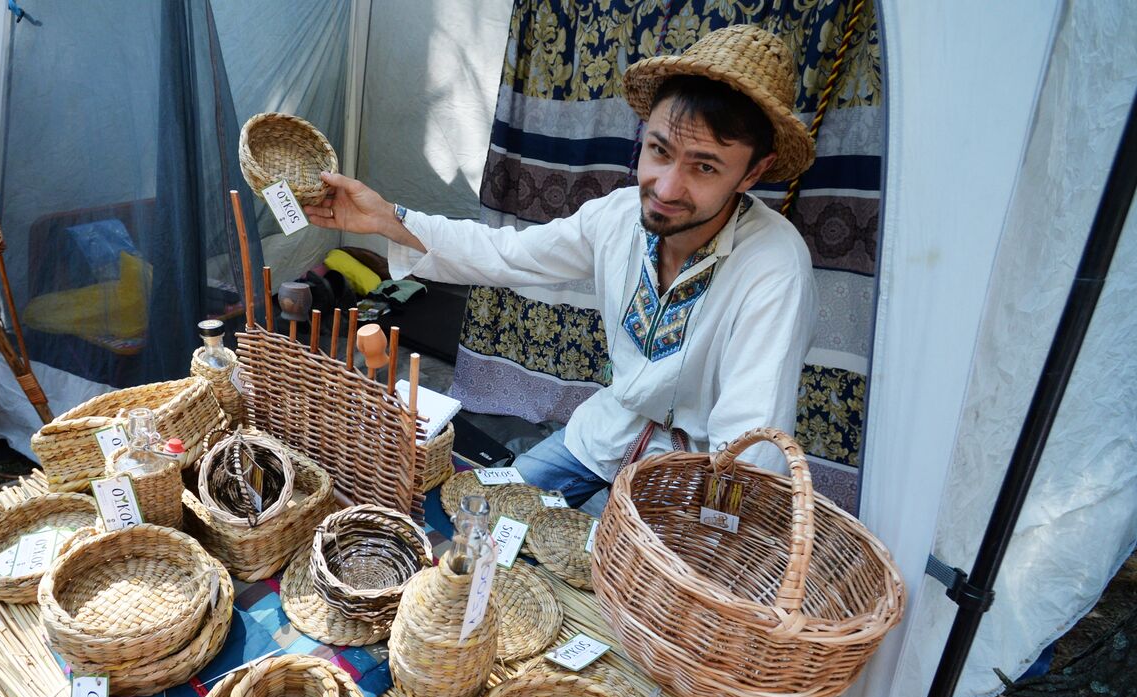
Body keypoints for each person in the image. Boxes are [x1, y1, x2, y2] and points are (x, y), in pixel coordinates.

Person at [304, 25, 817, 505]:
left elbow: (749, 451)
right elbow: (507, 254)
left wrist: (672, 540)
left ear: (754, 172)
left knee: (600, 567)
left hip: (689, 482)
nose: (665, 187)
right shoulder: (617, 216)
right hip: (606, 432)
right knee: (483, 512)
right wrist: (390, 219)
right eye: (659, 151)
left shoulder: (774, 268)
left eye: (704, 166)